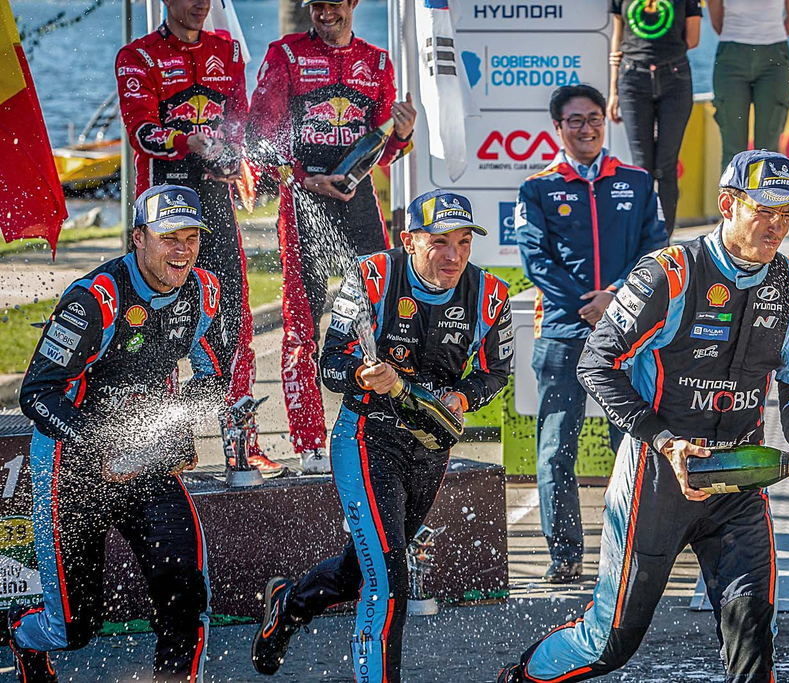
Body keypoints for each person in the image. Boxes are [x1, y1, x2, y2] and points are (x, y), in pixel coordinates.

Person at [498, 149, 789, 683]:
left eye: (787, 214)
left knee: (753, 636)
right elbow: (596, 364)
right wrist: (663, 440)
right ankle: (518, 678)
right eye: (764, 210)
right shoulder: (670, 272)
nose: (777, 226)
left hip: (738, 480)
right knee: (610, 643)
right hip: (656, 479)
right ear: (727, 204)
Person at [250, 190, 512, 682]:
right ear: (409, 240)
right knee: (389, 580)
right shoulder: (373, 276)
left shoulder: (490, 293)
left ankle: (289, 604)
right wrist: (363, 375)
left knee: (359, 570)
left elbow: (496, 372)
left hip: (431, 445)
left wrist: (460, 399)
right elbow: (332, 363)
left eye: (463, 242)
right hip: (367, 439)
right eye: (439, 242)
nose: (453, 255)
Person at [3, 185, 227, 682]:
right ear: (138, 238)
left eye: (191, 238)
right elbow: (37, 394)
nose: (182, 251)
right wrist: (103, 447)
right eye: (169, 238)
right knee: (75, 627)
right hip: (72, 470)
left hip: (147, 462)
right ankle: (23, 635)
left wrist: (182, 418)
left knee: (186, 593)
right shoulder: (94, 300)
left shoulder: (205, 291)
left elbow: (213, 372)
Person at [246, 0, 417, 474]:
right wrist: (303, 178)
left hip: (358, 203)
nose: (324, 14)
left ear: (352, 4)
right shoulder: (286, 54)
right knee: (301, 324)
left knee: (383, 313)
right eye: (317, 5)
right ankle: (309, 444)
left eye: (334, 4)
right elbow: (260, 140)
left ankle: (381, 428)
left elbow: (383, 150)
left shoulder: (377, 61)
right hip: (303, 201)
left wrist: (403, 134)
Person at [115, 0, 282, 476]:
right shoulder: (138, 55)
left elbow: (239, 120)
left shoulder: (225, 50)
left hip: (213, 204)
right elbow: (140, 131)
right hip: (162, 205)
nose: (200, 4)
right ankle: (163, 446)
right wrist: (186, 142)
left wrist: (233, 151)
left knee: (233, 318)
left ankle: (242, 442)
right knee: (154, 327)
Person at [515, 84, 667, 584]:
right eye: (576, 120)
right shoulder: (537, 188)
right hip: (563, 332)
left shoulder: (637, 181)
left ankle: (634, 547)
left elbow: (655, 251)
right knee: (557, 447)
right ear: (558, 128)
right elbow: (536, 261)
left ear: (606, 122)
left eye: (594, 118)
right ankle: (565, 555)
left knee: (635, 443)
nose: (587, 128)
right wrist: (589, 306)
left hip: (627, 333)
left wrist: (616, 298)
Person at [608, 0, 702, 230]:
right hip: (632, 78)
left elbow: (693, 39)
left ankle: (664, 237)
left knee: (666, 166)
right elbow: (618, 37)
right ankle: (643, 237)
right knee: (642, 167)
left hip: (675, 78)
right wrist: (613, 92)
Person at [709, 0, 789, 171]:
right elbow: (717, 22)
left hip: (774, 58)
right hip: (731, 56)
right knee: (733, 150)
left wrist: (766, 37)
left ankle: (765, 189)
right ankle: (733, 189)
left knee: (769, 149)